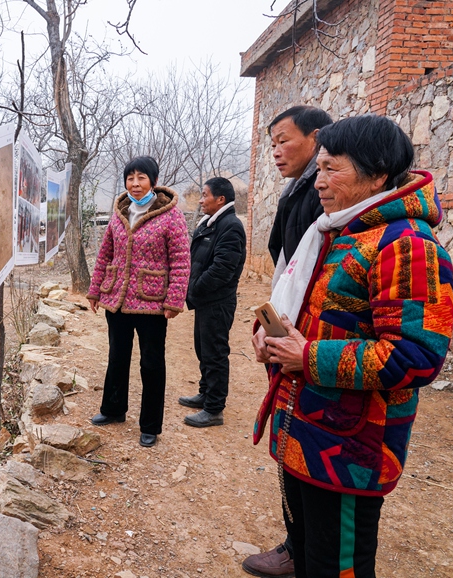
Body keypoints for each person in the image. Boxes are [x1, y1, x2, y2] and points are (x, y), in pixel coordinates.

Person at [251, 114, 453, 577]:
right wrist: (273, 340)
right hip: (307, 429)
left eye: (331, 169)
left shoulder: (407, 246)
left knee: (338, 564)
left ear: (378, 172)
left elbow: (414, 356)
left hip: (350, 445)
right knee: (307, 552)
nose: (318, 182)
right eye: (318, 169)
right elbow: (315, 316)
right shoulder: (341, 232)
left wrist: (306, 357)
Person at [243, 104, 333, 578]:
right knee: (288, 445)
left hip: (314, 351)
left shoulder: (330, 204)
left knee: (309, 456)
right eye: (271, 143)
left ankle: (301, 550)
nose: (276, 151)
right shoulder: (297, 193)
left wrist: (306, 349)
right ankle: (294, 545)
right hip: (289, 338)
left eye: (284, 140)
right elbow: (288, 266)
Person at [87, 155, 190, 448]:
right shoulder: (120, 212)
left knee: (152, 363)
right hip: (117, 300)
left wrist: (174, 299)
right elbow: (105, 254)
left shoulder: (171, 216)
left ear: (153, 182)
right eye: (130, 178)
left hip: (152, 302)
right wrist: (96, 291)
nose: (135, 183)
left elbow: (181, 261)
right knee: (117, 357)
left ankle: (150, 425)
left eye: (141, 177)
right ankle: (113, 409)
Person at [179, 177, 246, 427]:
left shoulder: (230, 226)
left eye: (205, 195)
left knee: (215, 353)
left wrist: (195, 288)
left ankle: (214, 408)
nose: (200, 200)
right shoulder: (210, 223)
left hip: (217, 302)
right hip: (204, 300)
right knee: (203, 349)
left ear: (221, 199)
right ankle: (205, 392)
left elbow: (222, 269)